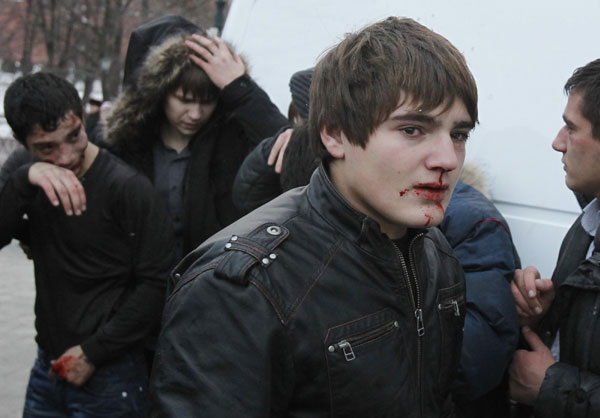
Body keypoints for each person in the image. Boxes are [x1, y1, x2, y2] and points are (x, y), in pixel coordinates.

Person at [149, 17, 479, 416]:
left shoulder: (434, 252)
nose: (446, 159)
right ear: (334, 134)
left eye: (458, 134)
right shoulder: (243, 287)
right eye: (412, 129)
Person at [1, 72, 176, 416]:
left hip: (112, 372)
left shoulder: (127, 187)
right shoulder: (27, 175)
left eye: (73, 136)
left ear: (82, 120)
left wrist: (95, 351)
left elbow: (157, 282)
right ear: (24, 144)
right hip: (47, 364)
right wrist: (25, 180)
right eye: (47, 148)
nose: (65, 157)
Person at [104, 15, 289, 259]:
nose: (195, 114)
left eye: (207, 102)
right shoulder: (126, 145)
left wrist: (240, 88)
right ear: (159, 92)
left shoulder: (232, 140)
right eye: (184, 100)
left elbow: (287, 146)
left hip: (213, 282)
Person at [509, 58, 600, 417]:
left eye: (571, 128)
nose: (557, 143)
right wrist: (542, 316)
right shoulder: (587, 227)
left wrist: (554, 388)